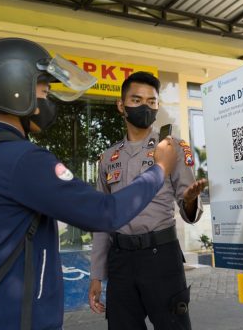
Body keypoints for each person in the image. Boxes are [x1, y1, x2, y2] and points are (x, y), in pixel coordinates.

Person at [0, 38, 179, 330]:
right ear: (15, 90)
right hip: (15, 319)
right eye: (44, 89)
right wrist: (160, 169)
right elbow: (104, 212)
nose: (47, 98)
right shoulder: (24, 161)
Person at [88, 71, 207, 330]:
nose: (145, 106)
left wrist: (188, 200)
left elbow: (189, 209)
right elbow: (101, 220)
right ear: (122, 105)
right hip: (120, 261)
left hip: (161, 257)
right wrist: (97, 274)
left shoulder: (172, 148)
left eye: (152, 102)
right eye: (137, 100)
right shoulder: (108, 157)